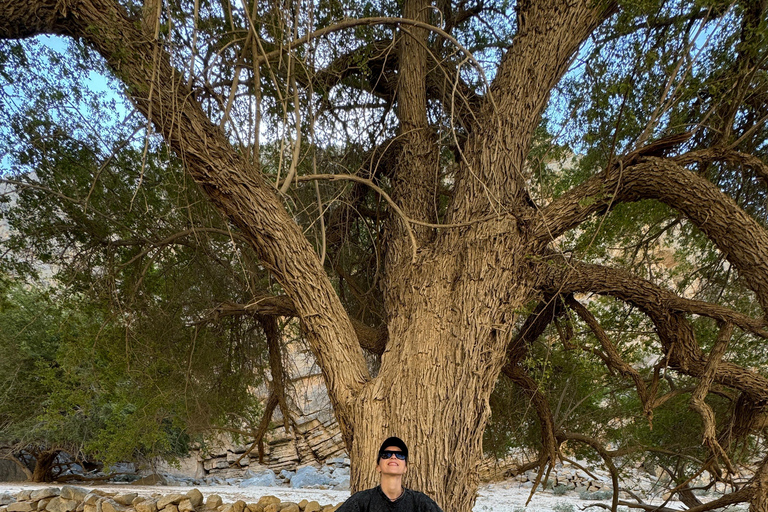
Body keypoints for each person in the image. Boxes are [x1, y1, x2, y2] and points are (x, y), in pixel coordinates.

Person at [337, 436, 444, 511]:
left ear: (405, 468)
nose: (393, 456)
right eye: (386, 454)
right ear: (378, 467)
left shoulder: (421, 503)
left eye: (400, 455)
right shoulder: (361, 501)